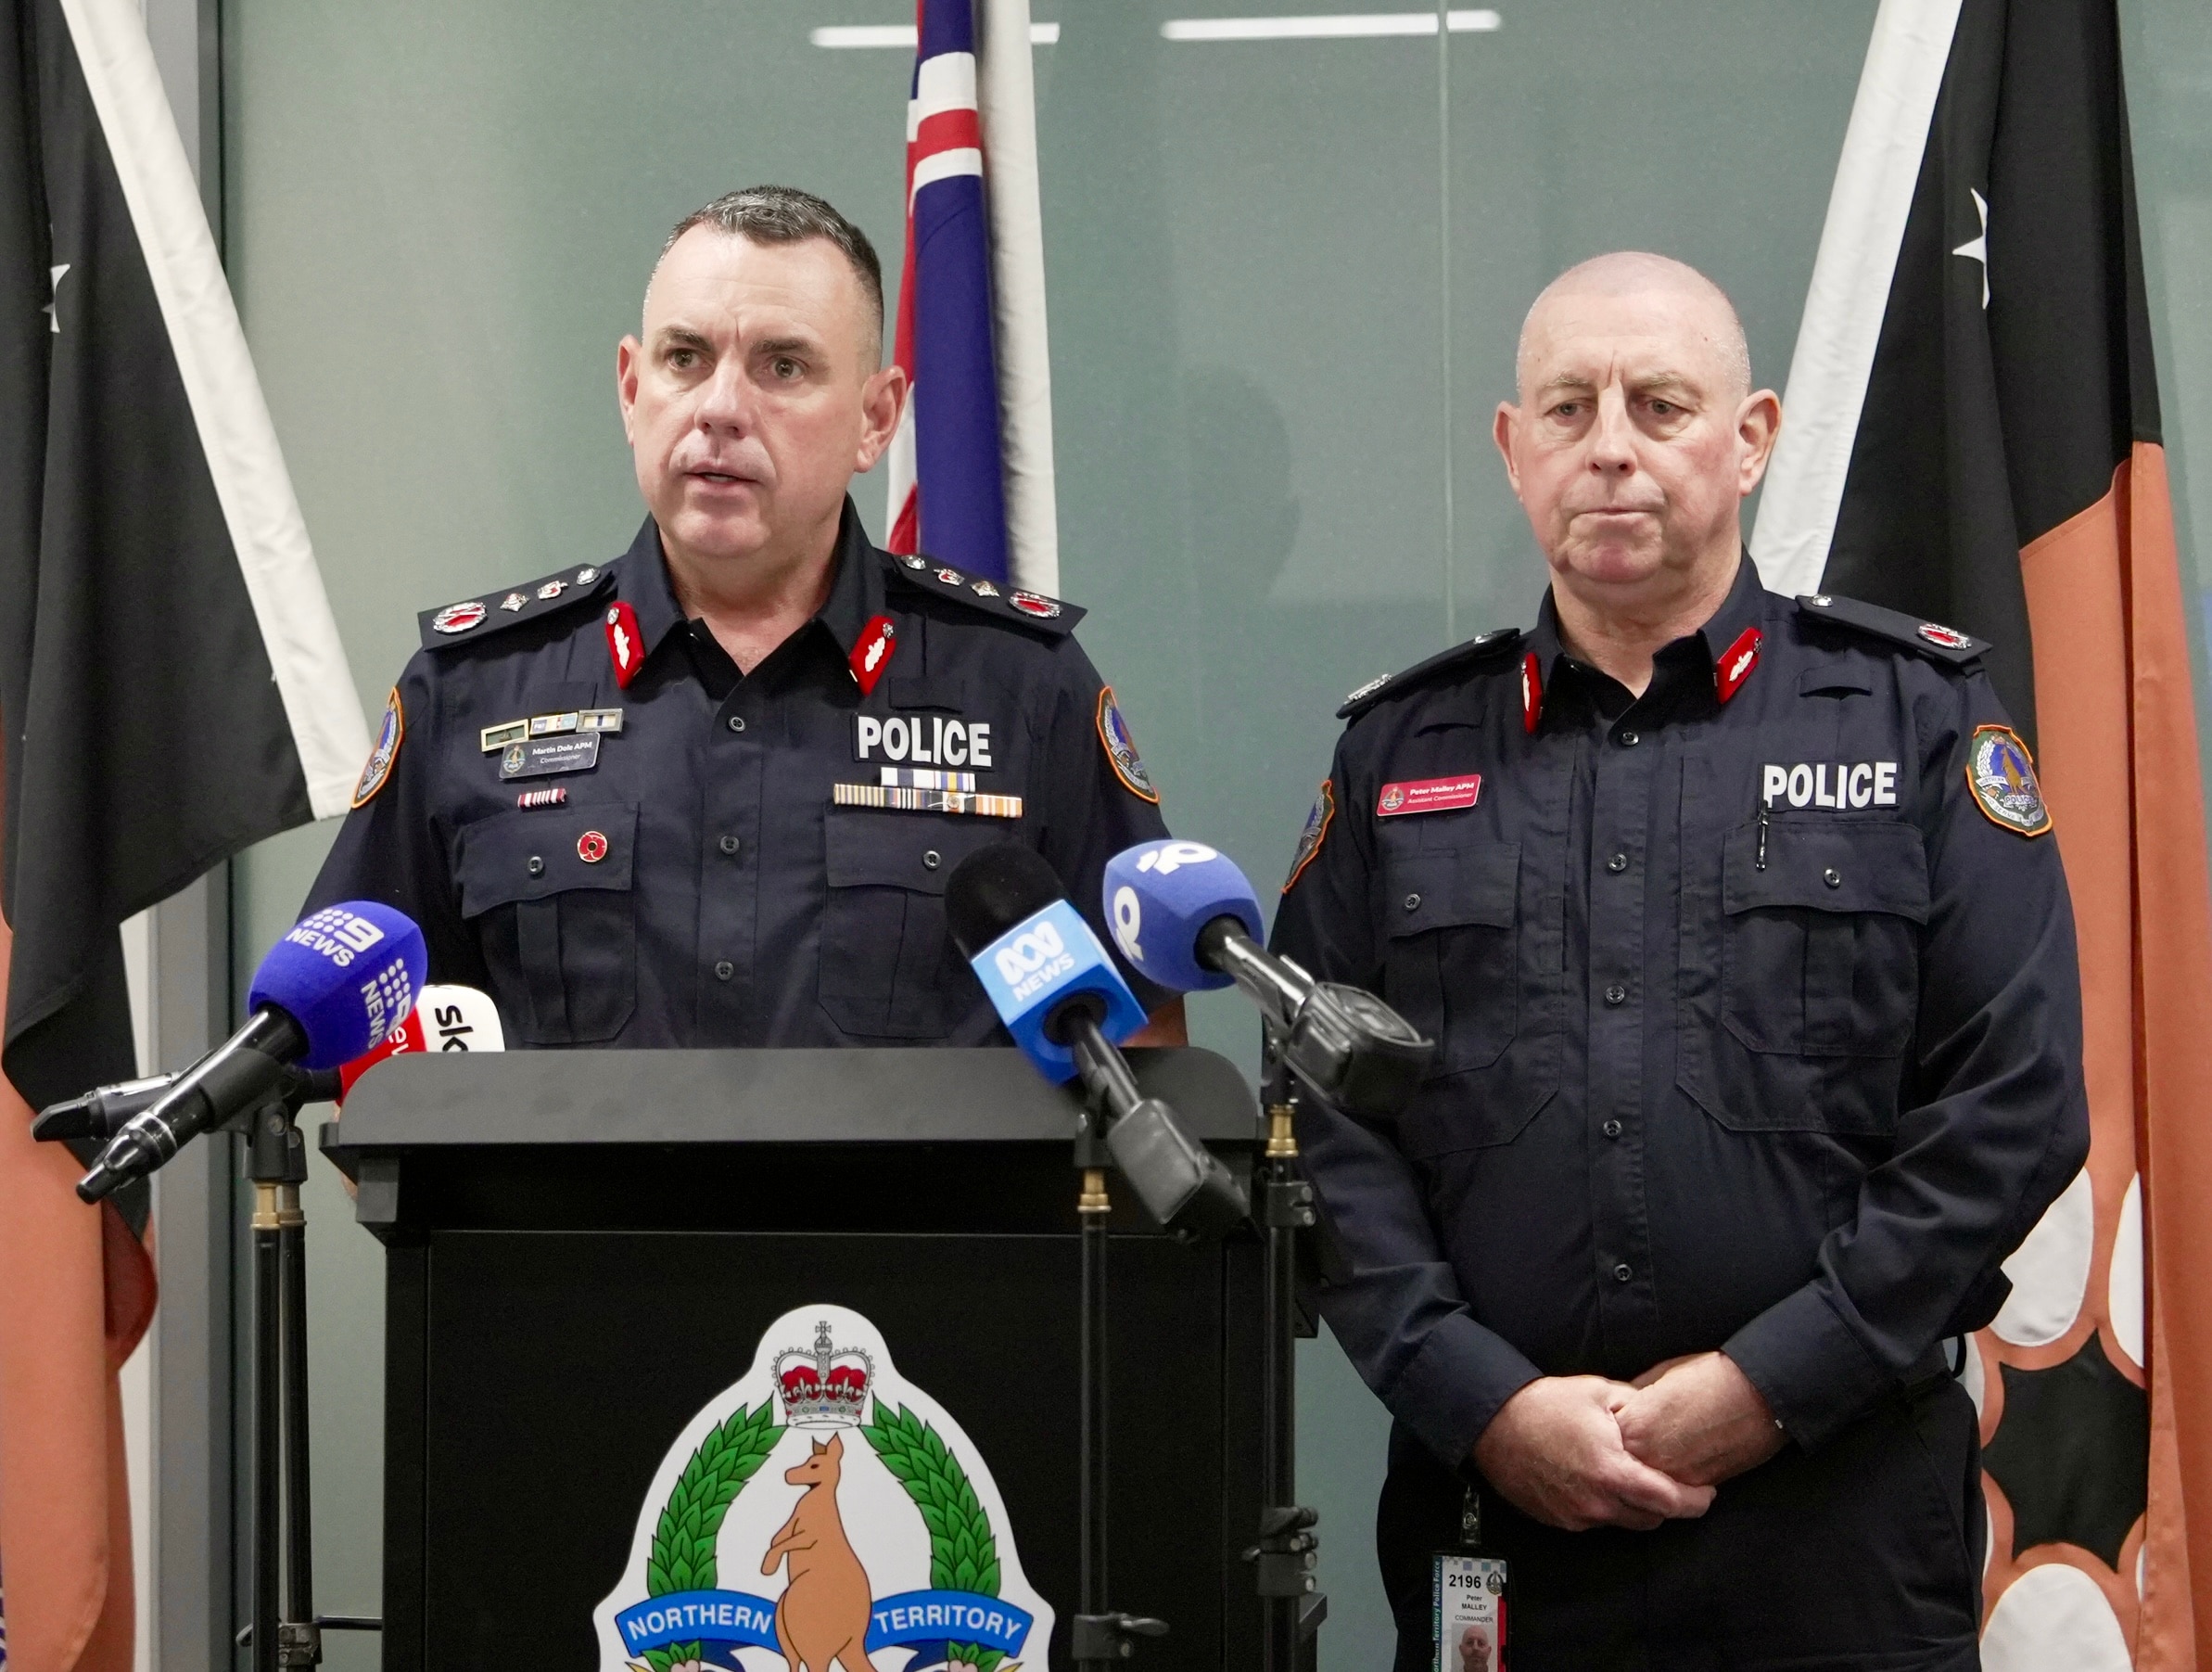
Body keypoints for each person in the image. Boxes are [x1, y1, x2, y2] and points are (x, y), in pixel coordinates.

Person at [1270, 251, 2088, 1669]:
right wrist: (1481, 1398)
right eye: (1568, 408)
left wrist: (1766, 1384)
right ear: (1512, 447)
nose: (1609, 447)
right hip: (1500, 1521)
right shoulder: (1400, 752)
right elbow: (1317, 1117)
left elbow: (2012, 1101)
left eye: (1657, 404)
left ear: (1750, 436)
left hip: (1834, 1524)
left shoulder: (1912, 717)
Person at [305, 186, 1182, 1049]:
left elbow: (1139, 1046)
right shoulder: (474, 691)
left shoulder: (1021, 686)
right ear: (631, 388)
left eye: (783, 366)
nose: (720, 408)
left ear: (876, 419)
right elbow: (355, 1043)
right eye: (685, 357)